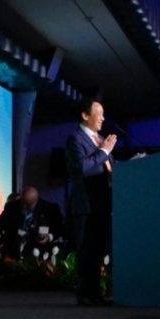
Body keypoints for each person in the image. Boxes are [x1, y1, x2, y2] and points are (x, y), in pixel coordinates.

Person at [65, 98, 117, 306]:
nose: (103, 118)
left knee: (97, 251)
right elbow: (81, 167)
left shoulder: (100, 139)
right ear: (85, 115)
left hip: (102, 204)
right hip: (86, 204)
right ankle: (85, 294)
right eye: (99, 114)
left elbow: (108, 168)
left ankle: (95, 294)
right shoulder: (75, 139)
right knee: (87, 251)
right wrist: (104, 152)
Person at [0, 186, 63, 260]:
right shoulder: (11, 206)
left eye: (26, 204)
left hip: (38, 254)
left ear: (35, 201)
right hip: (13, 252)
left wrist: (49, 237)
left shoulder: (50, 209)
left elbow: (60, 229)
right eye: (22, 201)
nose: (23, 205)